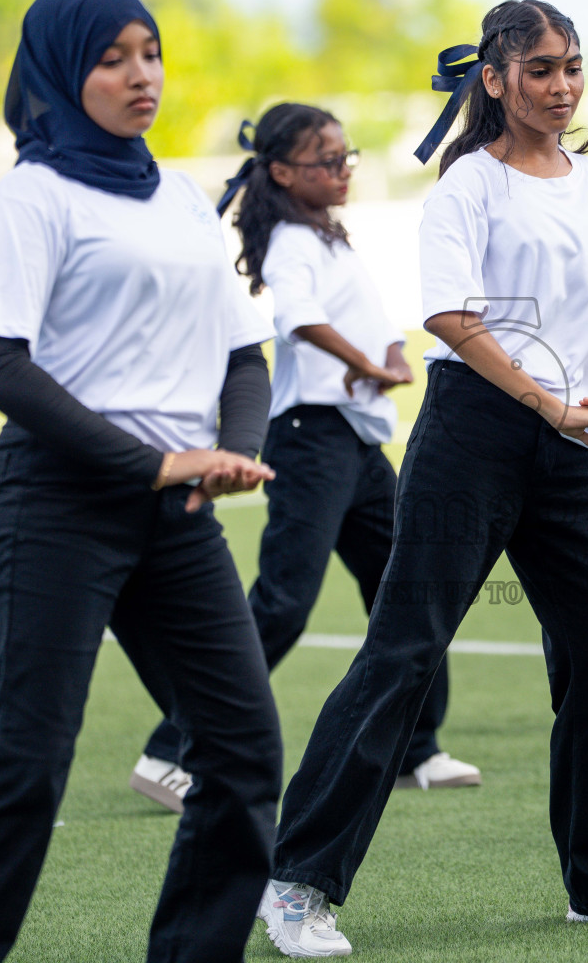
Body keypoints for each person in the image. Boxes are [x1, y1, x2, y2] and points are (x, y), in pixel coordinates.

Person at [258, 0, 588, 957]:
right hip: (474, 435)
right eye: (539, 69)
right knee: (404, 651)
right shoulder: (465, 189)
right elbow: (455, 322)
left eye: (572, 67)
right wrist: (549, 403)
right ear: (493, 80)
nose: (561, 86)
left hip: (576, 448)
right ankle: (297, 886)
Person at [0, 0, 284, 963]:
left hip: (179, 506)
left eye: (150, 53)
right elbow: (0, 365)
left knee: (244, 752)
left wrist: (235, 450)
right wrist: (155, 460)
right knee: (29, 765)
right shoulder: (28, 198)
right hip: (57, 502)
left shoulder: (179, 197)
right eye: (113, 57)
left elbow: (245, 353)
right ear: (62, 73)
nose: (141, 75)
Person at [131, 102, 480, 813]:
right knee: (285, 603)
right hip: (310, 441)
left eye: (346, 157)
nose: (343, 169)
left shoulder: (329, 237)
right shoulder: (290, 241)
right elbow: (295, 319)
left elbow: (374, 322)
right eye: (328, 160)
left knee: (406, 587)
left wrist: (385, 356)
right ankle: (168, 751)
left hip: (354, 441)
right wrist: (365, 363)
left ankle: (418, 748)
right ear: (283, 172)